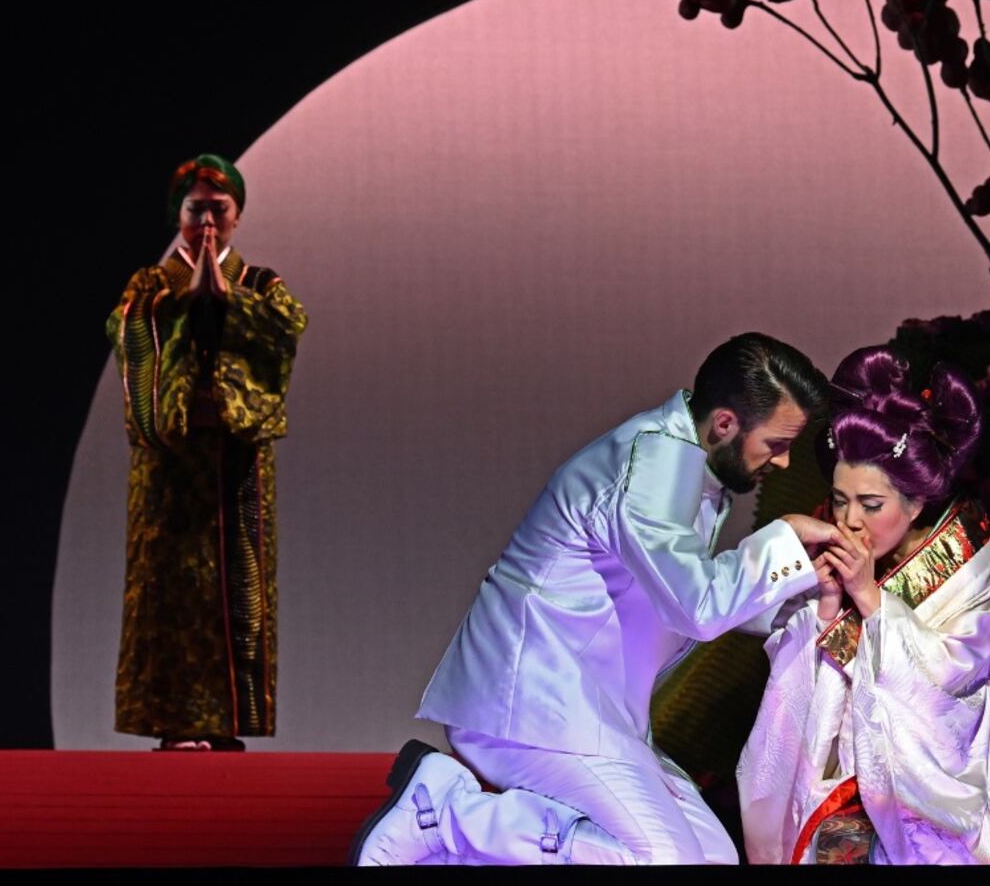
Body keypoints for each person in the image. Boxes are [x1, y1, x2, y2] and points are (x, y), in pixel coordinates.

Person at [351, 332, 844, 865]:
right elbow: (697, 605)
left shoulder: (685, 459)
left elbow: (677, 596)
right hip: (529, 709)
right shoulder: (653, 463)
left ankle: (454, 849)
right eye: (776, 443)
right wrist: (785, 543)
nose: (786, 463)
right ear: (725, 423)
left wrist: (805, 589)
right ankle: (446, 812)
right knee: (666, 862)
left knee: (715, 860)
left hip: (591, 713)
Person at [736, 345, 990, 864]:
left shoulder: (967, 560)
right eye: (840, 499)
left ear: (916, 503)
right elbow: (791, 679)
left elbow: (951, 682)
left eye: (871, 505)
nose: (849, 519)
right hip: (840, 769)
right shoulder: (826, 539)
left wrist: (869, 598)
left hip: (946, 773)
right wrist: (824, 606)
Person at [106, 154, 308, 750]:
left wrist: (225, 302)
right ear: (179, 217)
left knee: (233, 584)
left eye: (218, 209)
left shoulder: (260, 284)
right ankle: (174, 724)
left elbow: (288, 327)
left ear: (238, 214)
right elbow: (125, 332)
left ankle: (226, 724)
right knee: (169, 587)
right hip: (170, 463)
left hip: (234, 458)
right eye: (196, 210)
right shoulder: (150, 287)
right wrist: (181, 305)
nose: (208, 222)